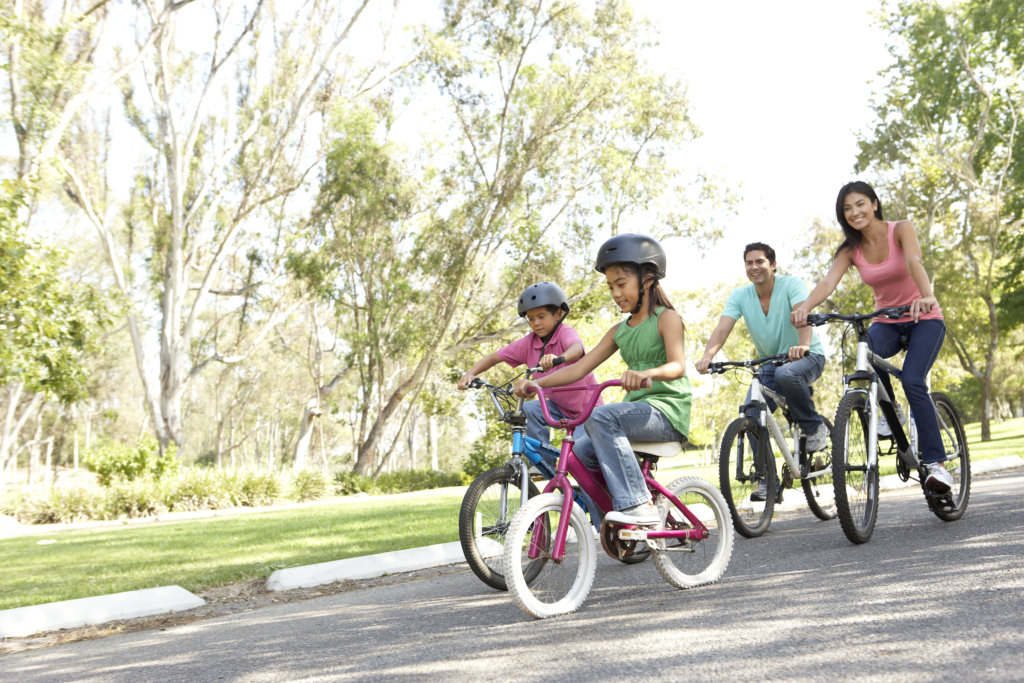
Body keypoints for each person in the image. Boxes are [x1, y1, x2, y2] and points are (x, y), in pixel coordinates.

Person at [514, 234, 691, 526]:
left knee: (599, 418)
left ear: (647, 280)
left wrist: (646, 373)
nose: (616, 293)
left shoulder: (666, 318)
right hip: (635, 414)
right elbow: (579, 368)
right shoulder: (619, 330)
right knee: (577, 455)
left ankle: (638, 504)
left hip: (666, 412)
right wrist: (537, 383)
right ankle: (609, 526)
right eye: (611, 287)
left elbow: (677, 366)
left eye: (621, 284)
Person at [790, 180, 954, 493]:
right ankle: (891, 408)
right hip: (887, 321)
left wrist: (927, 295)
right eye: (847, 209)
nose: (854, 212)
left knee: (913, 380)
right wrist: (806, 308)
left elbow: (914, 261)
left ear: (874, 204)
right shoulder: (851, 249)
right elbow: (828, 282)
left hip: (924, 317)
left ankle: (936, 464)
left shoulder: (900, 229)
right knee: (867, 349)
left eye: (860, 204)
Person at [694, 242, 830, 500]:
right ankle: (768, 482)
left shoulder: (791, 285)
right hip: (771, 362)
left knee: (786, 374)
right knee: (752, 414)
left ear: (773, 264)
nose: (754, 267)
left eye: (760, 262)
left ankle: (813, 427)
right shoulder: (740, 296)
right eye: (749, 262)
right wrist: (708, 356)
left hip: (808, 355)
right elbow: (723, 329)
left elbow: (803, 315)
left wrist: (802, 345)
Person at [457, 281, 601, 450]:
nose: (536, 323)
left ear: (558, 314)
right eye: (531, 319)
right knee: (528, 409)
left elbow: (576, 349)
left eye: (541, 317)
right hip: (558, 407)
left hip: (588, 410)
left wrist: (559, 358)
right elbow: (494, 357)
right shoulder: (528, 343)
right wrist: (470, 373)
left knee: (579, 452)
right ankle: (542, 464)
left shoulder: (564, 332)